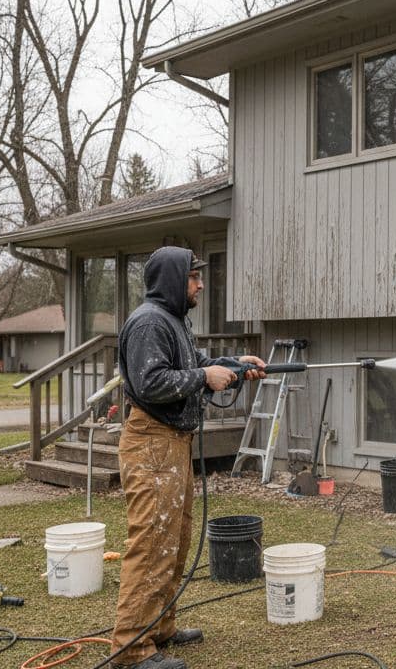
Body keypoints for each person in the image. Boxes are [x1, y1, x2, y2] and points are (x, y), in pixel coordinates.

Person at [110, 246, 267, 669]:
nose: (200, 283)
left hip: (172, 443)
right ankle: (132, 648)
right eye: (194, 277)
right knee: (151, 542)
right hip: (151, 443)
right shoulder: (148, 322)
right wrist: (203, 377)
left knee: (174, 539)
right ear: (174, 279)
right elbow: (151, 381)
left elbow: (192, 362)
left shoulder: (173, 320)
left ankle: (159, 628)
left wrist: (231, 364)